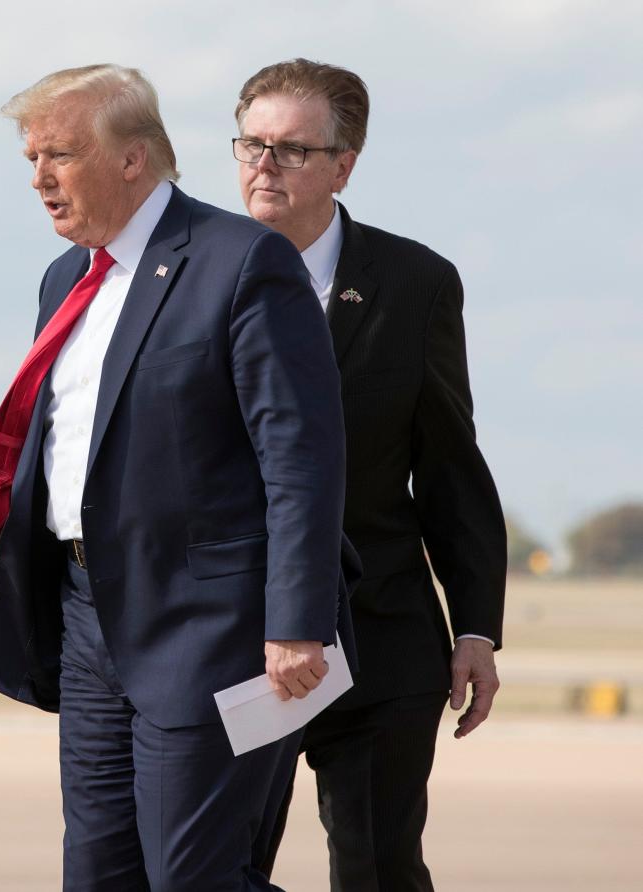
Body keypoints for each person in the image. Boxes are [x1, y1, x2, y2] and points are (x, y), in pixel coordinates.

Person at [0, 64, 356, 891]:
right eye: (31, 158)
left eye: (58, 155)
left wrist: (297, 621)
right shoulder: (68, 279)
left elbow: (301, 461)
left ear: (134, 159)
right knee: (97, 878)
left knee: (192, 880)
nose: (38, 179)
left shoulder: (243, 261)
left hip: (214, 631)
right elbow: (61, 457)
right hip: (87, 626)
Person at [234, 59, 507, 890]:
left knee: (381, 867)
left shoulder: (414, 283)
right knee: (217, 867)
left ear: (343, 165)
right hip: (236, 635)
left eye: (290, 149)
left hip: (382, 631)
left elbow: (450, 464)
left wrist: (476, 626)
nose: (263, 165)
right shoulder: (188, 274)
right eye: (250, 144)